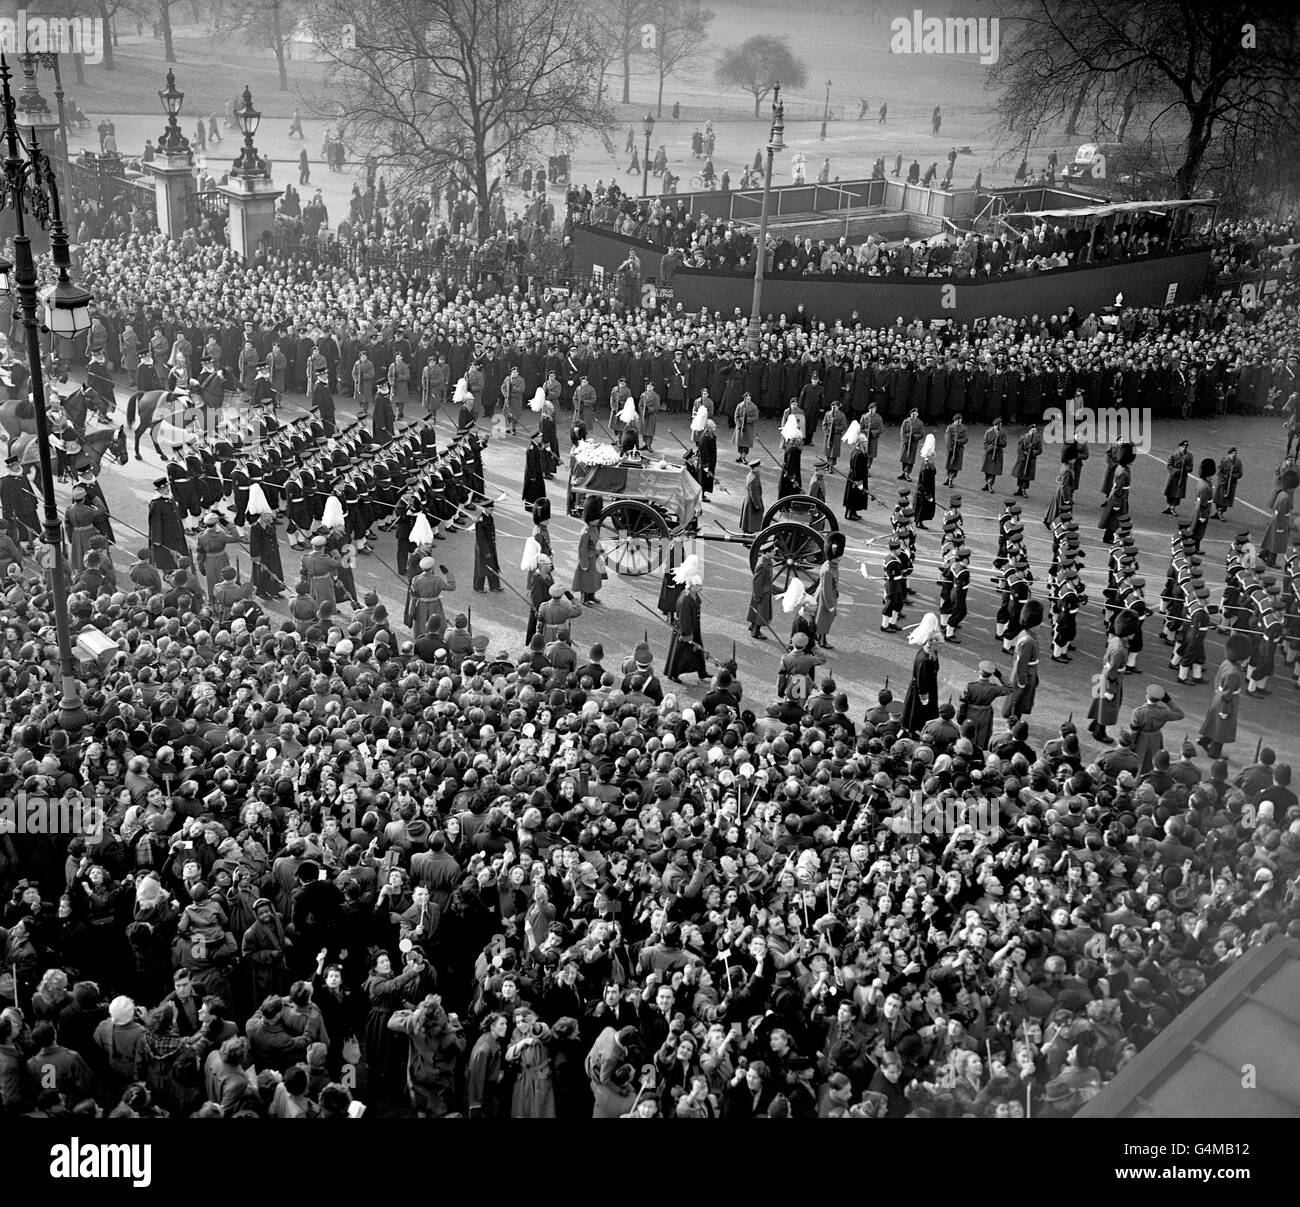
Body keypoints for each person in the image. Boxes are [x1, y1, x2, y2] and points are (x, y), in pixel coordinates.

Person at [664, 557, 707, 683]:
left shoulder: (691, 594)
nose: (700, 588)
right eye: (698, 586)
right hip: (686, 629)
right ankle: (673, 673)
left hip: (694, 628)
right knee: (679, 654)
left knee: (698, 652)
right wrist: (687, 634)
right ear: (692, 586)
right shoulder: (686, 599)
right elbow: (685, 618)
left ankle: (702, 672)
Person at [900, 613, 942, 732]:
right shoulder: (925, 660)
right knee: (919, 712)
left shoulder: (927, 653)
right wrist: (924, 697)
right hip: (923, 690)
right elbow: (922, 681)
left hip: (926, 686)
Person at [473, 498, 503, 592]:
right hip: (483, 547)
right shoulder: (480, 521)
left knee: (493, 566)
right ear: (485, 509)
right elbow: (480, 538)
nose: (492, 511)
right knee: (481, 567)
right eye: (491, 509)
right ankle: (478, 587)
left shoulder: (489, 517)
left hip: (490, 545)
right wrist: (486, 552)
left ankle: (494, 586)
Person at [748, 547, 773, 639]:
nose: (775, 553)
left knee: (758, 611)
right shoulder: (762, 565)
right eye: (773, 552)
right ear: (767, 552)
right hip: (762, 592)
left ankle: (752, 626)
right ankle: (756, 632)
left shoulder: (766, 561)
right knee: (761, 613)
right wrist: (757, 595)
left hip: (764, 591)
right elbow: (757, 582)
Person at [1162, 440, 1193, 514]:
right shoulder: (1174, 454)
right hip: (1173, 476)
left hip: (1182, 478)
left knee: (1178, 493)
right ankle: (1168, 506)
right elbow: (1169, 465)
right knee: (1169, 492)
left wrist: (1185, 469)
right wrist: (1176, 471)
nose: (1184, 448)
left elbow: (1190, 467)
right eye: (1182, 447)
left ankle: (1173, 507)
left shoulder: (1189, 456)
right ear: (1180, 447)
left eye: (1185, 447)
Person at [740, 458, 764, 534]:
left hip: (749, 501)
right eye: (759, 467)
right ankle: (747, 538)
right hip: (752, 503)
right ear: (755, 468)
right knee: (751, 523)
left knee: (747, 521)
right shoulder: (753, 479)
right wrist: (758, 506)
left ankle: (746, 536)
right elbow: (754, 494)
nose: (760, 468)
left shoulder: (752, 474)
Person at [982, 419, 1007, 492]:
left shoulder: (1003, 432)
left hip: (997, 454)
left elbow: (1004, 444)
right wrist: (991, 447)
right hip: (989, 453)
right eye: (997, 425)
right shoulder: (988, 432)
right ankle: (987, 482)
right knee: (987, 470)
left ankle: (990, 484)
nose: (998, 426)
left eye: (999, 425)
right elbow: (985, 443)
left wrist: (999, 440)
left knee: (993, 470)